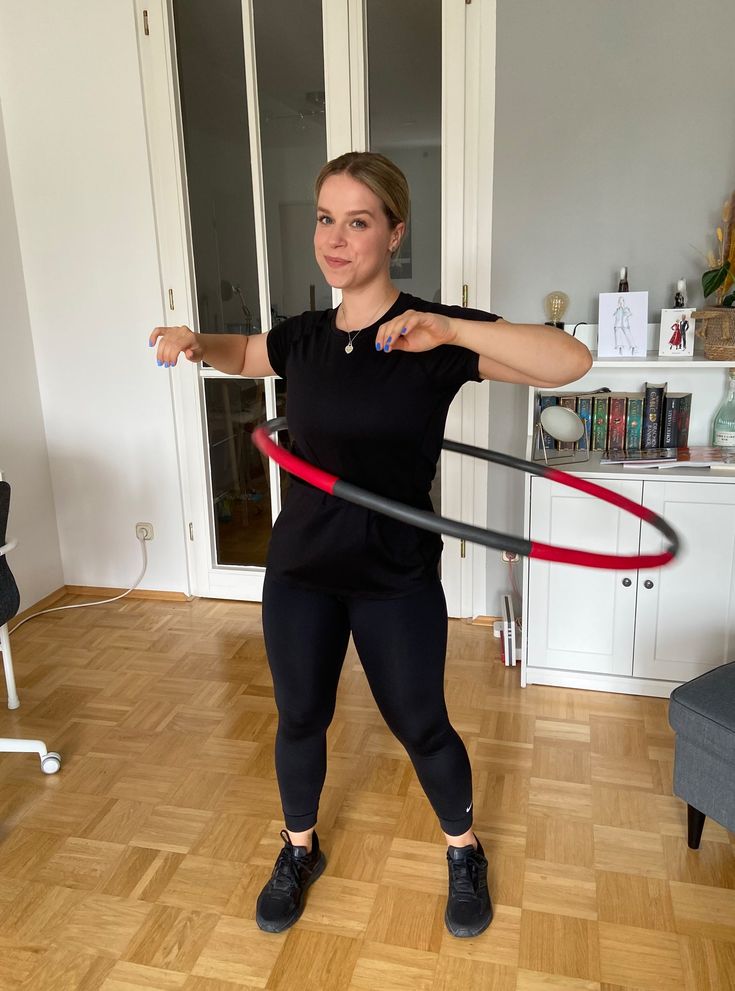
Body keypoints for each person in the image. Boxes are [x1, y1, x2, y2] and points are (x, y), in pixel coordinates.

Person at [149, 151, 592, 939]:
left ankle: (464, 848)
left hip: (393, 574)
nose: (336, 237)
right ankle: (297, 847)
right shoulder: (306, 336)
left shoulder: (428, 334)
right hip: (302, 571)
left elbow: (570, 362)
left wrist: (453, 325)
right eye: (326, 218)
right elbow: (246, 353)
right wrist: (193, 339)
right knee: (298, 717)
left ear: (394, 233)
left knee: (421, 722)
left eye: (358, 221)